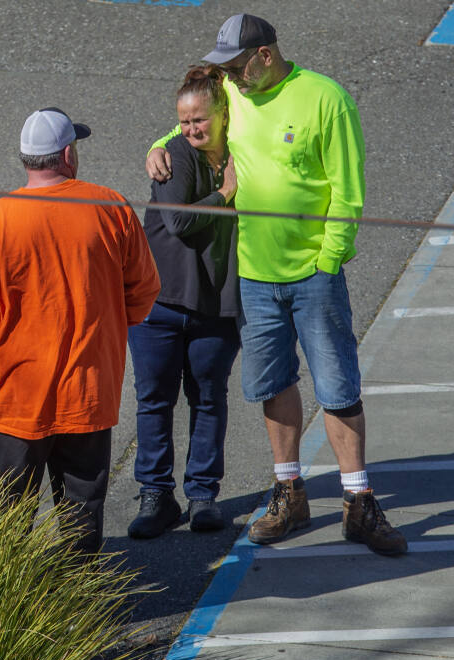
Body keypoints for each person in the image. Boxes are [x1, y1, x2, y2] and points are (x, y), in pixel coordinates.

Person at [146, 14, 406, 555]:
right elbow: (190, 120)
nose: (233, 79)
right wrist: (159, 143)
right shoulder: (233, 90)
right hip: (256, 278)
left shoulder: (324, 99)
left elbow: (347, 188)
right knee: (273, 384)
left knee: (338, 389)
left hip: (314, 275)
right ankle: (289, 492)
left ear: (265, 54)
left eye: (239, 66)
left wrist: (328, 260)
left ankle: (359, 501)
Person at [0, 108, 161, 554]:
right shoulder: (111, 207)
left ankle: (2, 615)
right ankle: (80, 616)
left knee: (1, 527)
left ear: (26, 159)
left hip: (15, 396)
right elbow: (144, 289)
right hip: (88, 392)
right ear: (68, 154)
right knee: (82, 520)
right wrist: (106, 330)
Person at [127, 66, 241, 539]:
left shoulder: (242, 152)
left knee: (209, 398)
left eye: (200, 120)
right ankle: (156, 495)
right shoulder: (174, 154)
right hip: (161, 303)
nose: (193, 129)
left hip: (215, 301)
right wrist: (226, 193)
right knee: (155, 399)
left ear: (222, 115)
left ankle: (202, 496)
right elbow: (177, 221)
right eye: (185, 121)